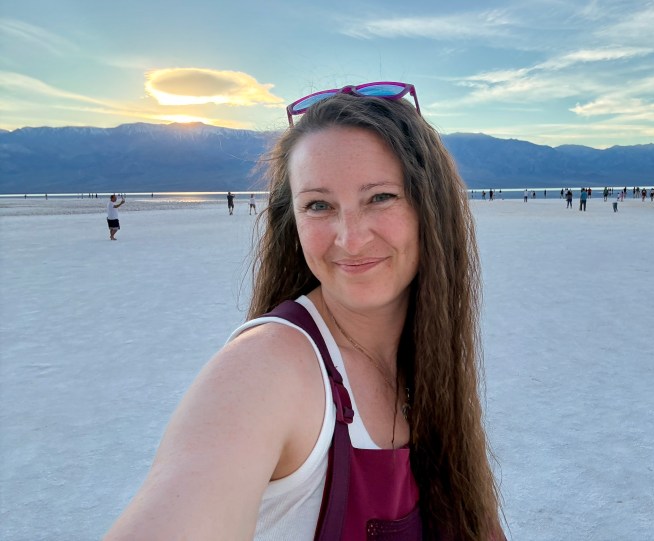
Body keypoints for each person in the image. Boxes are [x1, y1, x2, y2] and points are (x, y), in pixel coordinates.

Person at [105, 84, 503, 540]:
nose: (350, 239)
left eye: (380, 197)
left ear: (430, 206)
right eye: (318, 205)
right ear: (291, 222)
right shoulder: (269, 367)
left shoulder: (427, 364)